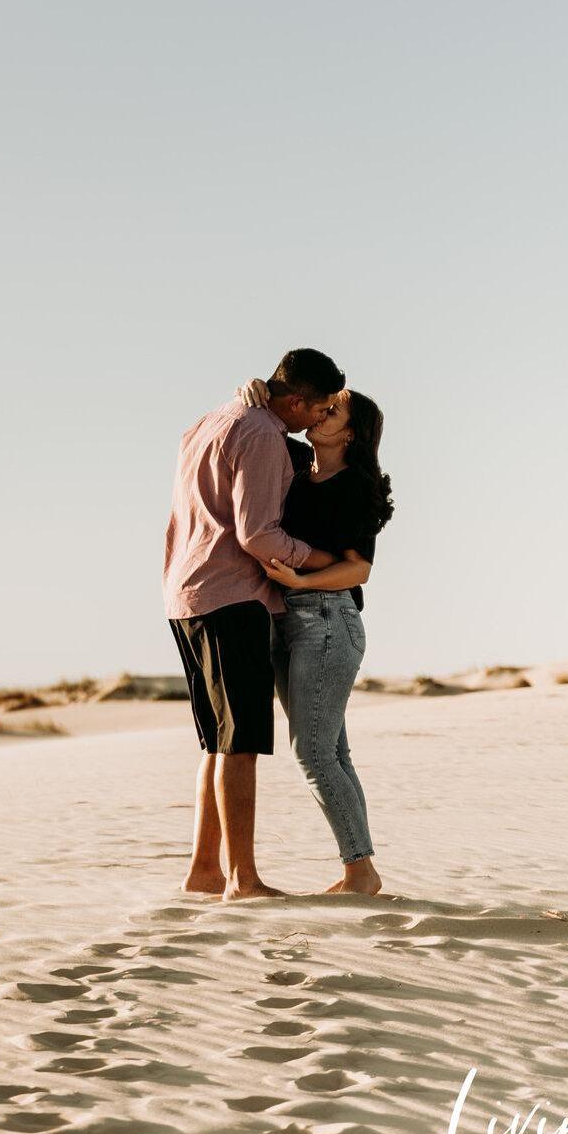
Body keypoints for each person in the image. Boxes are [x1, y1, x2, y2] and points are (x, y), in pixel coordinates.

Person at [162, 349, 343, 900]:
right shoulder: (263, 434)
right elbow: (258, 536)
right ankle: (243, 879)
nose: (320, 418)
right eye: (320, 408)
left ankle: (204, 872)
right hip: (233, 595)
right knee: (239, 744)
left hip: (185, 592)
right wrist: (324, 560)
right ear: (295, 400)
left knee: (217, 742)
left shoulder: (207, 421)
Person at [249, 383, 395, 896]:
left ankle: (360, 872)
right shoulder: (294, 462)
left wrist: (303, 581)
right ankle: (361, 871)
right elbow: (266, 416)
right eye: (322, 404)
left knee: (313, 752)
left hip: (328, 621)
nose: (320, 413)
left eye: (333, 411)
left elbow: (359, 570)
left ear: (350, 432)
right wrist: (251, 393)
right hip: (287, 623)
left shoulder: (356, 485)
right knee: (332, 751)